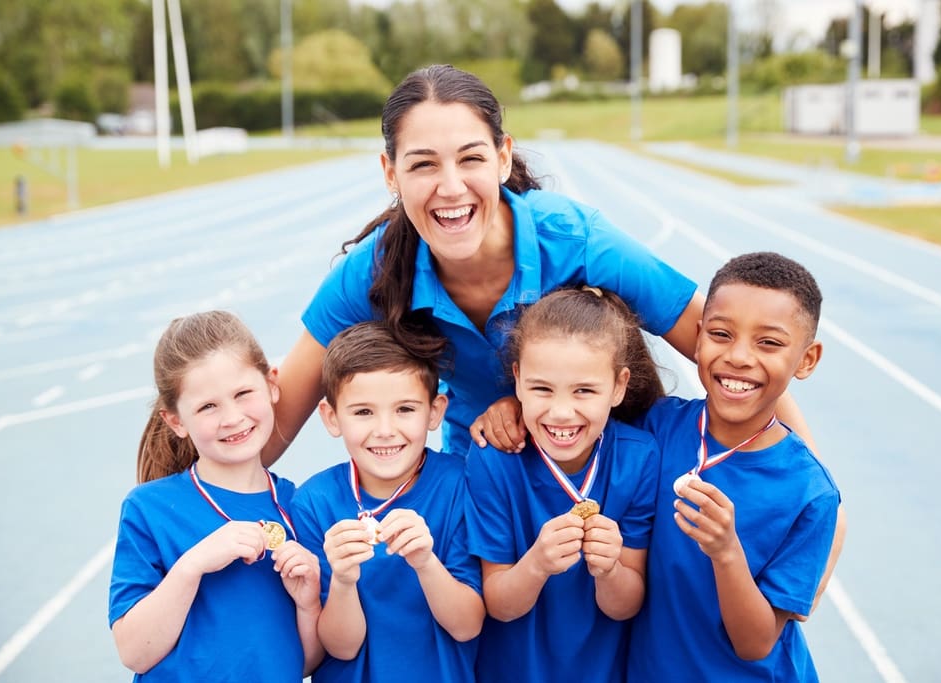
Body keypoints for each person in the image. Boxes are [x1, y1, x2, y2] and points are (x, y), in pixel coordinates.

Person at [264, 63, 703, 462]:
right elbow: (276, 425)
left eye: (471, 158)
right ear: (391, 172)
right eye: (423, 165)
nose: (451, 187)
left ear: (503, 157)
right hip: (483, 470)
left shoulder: (576, 239)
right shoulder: (374, 269)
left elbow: (724, 347)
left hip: (604, 467)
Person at [628, 252, 840, 682]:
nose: (739, 356)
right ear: (700, 336)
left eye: (769, 343)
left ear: (807, 360)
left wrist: (726, 552)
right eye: (722, 334)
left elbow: (755, 643)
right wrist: (508, 409)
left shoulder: (810, 494)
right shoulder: (658, 426)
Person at [108, 310, 324, 682]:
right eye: (208, 406)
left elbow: (304, 664)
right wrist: (192, 566)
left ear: (272, 384)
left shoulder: (302, 507)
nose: (232, 417)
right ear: (176, 421)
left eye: (243, 394)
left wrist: (308, 603)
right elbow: (134, 652)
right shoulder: (149, 509)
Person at [465, 286, 664, 683]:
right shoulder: (493, 461)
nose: (560, 412)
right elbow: (498, 603)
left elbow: (625, 605)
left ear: (619, 386)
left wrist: (610, 569)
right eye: (542, 389)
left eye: (584, 391)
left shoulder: (639, 459)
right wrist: (537, 564)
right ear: (518, 380)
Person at [290, 321, 483, 683]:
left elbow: (467, 625)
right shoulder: (313, 504)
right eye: (363, 412)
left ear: (435, 411)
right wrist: (344, 581)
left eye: (405, 410)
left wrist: (426, 562)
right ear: (332, 418)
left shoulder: (460, 484)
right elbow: (341, 648)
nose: (384, 430)